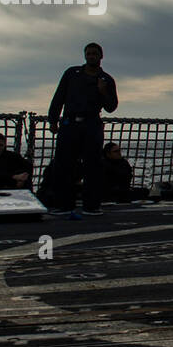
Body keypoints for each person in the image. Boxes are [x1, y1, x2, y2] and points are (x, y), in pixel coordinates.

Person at [47, 42, 118, 216]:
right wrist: (53, 120)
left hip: (91, 123)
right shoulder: (72, 74)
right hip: (70, 123)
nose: (91, 56)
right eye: (88, 54)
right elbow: (59, 97)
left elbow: (111, 106)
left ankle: (91, 205)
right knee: (64, 164)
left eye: (94, 54)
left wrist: (103, 92)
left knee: (93, 166)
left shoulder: (106, 79)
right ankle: (64, 204)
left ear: (101, 56)